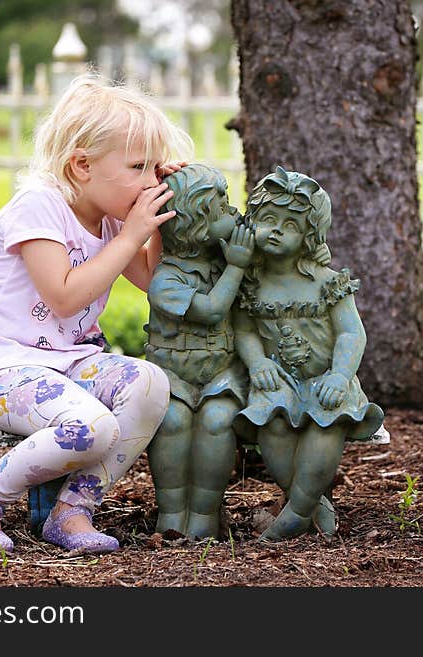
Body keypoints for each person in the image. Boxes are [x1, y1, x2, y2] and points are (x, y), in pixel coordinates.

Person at [0, 73, 191, 554]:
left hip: (67, 361)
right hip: (0, 370)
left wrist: (157, 225)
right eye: (139, 167)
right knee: (92, 428)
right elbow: (63, 296)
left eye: (155, 170)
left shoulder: (113, 218)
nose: (150, 181)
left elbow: (152, 283)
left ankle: (72, 511)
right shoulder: (39, 206)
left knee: (150, 384)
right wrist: (129, 235)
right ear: (81, 165)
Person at [233, 167, 386, 542]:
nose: (277, 229)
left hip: (325, 380)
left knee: (326, 426)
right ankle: (312, 505)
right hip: (279, 379)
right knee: (272, 426)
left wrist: (339, 375)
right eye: (268, 219)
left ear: (308, 236)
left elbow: (351, 332)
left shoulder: (327, 282)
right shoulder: (250, 283)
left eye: (291, 224)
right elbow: (244, 329)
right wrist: (258, 362)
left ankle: (297, 512)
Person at [144, 164, 254, 539]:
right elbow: (210, 311)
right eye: (223, 210)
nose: (235, 213)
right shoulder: (166, 278)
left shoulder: (225, 260)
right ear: (196, 226)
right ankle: (172, 512)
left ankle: (205, 513)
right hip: (172, 377)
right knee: (172, 423)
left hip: (220, 373)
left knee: (219, 420)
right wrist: (237, 268)